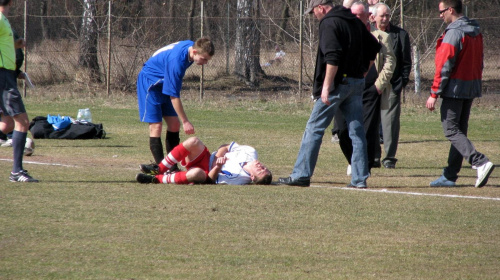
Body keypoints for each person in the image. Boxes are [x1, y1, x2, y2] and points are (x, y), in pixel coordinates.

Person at [277, 0, 380, 188]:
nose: (314, 16)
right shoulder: (353, 20)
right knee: (357, 132)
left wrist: (326, 87)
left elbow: (333, 56)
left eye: (314, 12)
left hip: (337, 84)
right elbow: (374, 46)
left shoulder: (329, 22)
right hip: (356, 83)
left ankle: (301, 174)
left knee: (314, 127)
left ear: (320, 8)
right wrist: (364, 72)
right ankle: (359, 179)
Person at [426, 0, 494, 188]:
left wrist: (434, 93)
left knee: (450, 129)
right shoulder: (475, 31)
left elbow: (443, 65)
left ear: (450, 10)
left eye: (441, 11)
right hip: (470, 88)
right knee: (459, 131)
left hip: (455, 90)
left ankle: (479, 161)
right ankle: (449, 175)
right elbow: (480, 61)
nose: (440, 15)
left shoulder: (454, 32)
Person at [334, 1, 396, 174]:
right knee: (342, 129)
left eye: (357, 15)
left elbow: (391, 61)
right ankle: (353, 159)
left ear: (367, 16)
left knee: (367, 130)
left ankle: (363, 166)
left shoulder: (381, 36)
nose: (352, 18)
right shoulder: (343, 32)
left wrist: (378, 85)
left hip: (370, 88)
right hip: (346, 86)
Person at [137, 37, 214, 168]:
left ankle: (171, 166)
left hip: (164, 82)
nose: (205, 62)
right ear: (194, 52)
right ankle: (162, 168)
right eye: (204, 59)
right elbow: (174, 96)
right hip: (150, 83)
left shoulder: (192, 47)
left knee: (174, 124)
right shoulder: (176, 62)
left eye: (207, 60)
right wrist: (186, 121)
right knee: (156, 126)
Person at [0, 0, 38, 182]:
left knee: (7, 123)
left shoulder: (3, 19)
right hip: (3, 77)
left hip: (7, 75)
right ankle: (16, 172)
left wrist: (16, 45)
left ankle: (17, 171)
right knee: (22, 121)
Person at [136, 137, 272, 185]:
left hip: (205, 172)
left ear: (253, 177)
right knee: (193, 141)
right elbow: (225, 146)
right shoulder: (251, 152)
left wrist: (217, 167)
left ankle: (157, 179)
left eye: (260, 171)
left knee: (196, 174)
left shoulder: (239, 178)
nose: (262, 166)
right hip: (207, 157)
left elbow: (211, 180)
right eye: (264, 168)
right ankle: (160, 169)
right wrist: (218, 158)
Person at [372, 3, 412, 169]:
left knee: (390, 124)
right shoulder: (368, 34)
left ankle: (389, 158)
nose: (385, 18)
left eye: (387, 15)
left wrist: (400, 83)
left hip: (392, 85)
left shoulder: (400, 35)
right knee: (371, 121)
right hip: (371, 85)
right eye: (382, 15)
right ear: (374, 17)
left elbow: (406, 62)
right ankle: (373, 156)